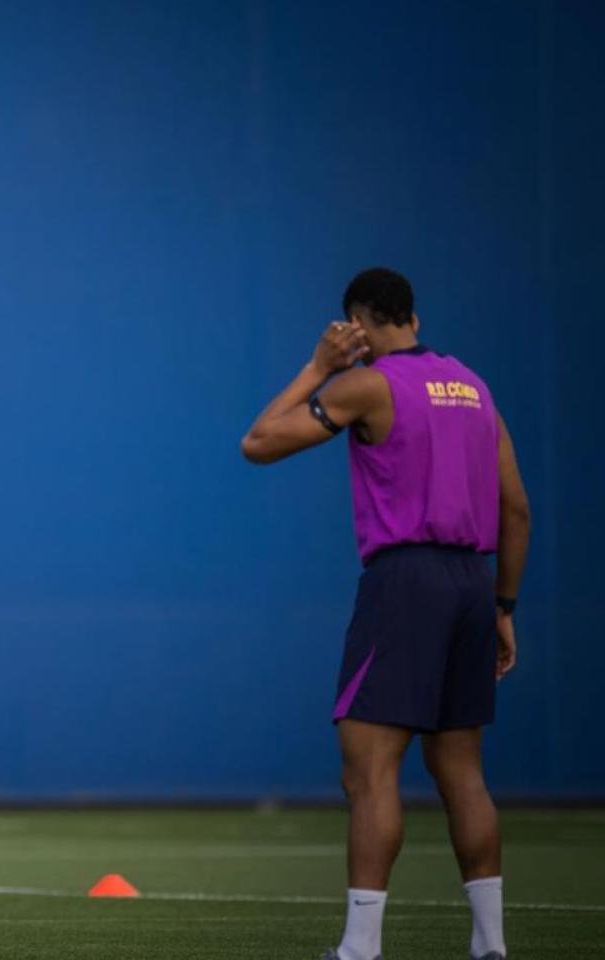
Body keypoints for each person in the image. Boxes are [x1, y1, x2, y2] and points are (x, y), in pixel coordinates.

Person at [241, 268, 529, 960]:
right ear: (416, 319)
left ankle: (360, 948)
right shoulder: (475, 388)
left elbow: (260, 442)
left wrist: (319, 365)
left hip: (405, 582)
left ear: (360, 326)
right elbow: (515, 509)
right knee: (462, 773)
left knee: (368, 771)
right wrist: (504, 607)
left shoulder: (367, 383)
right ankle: (491, 945)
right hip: (471, 581)